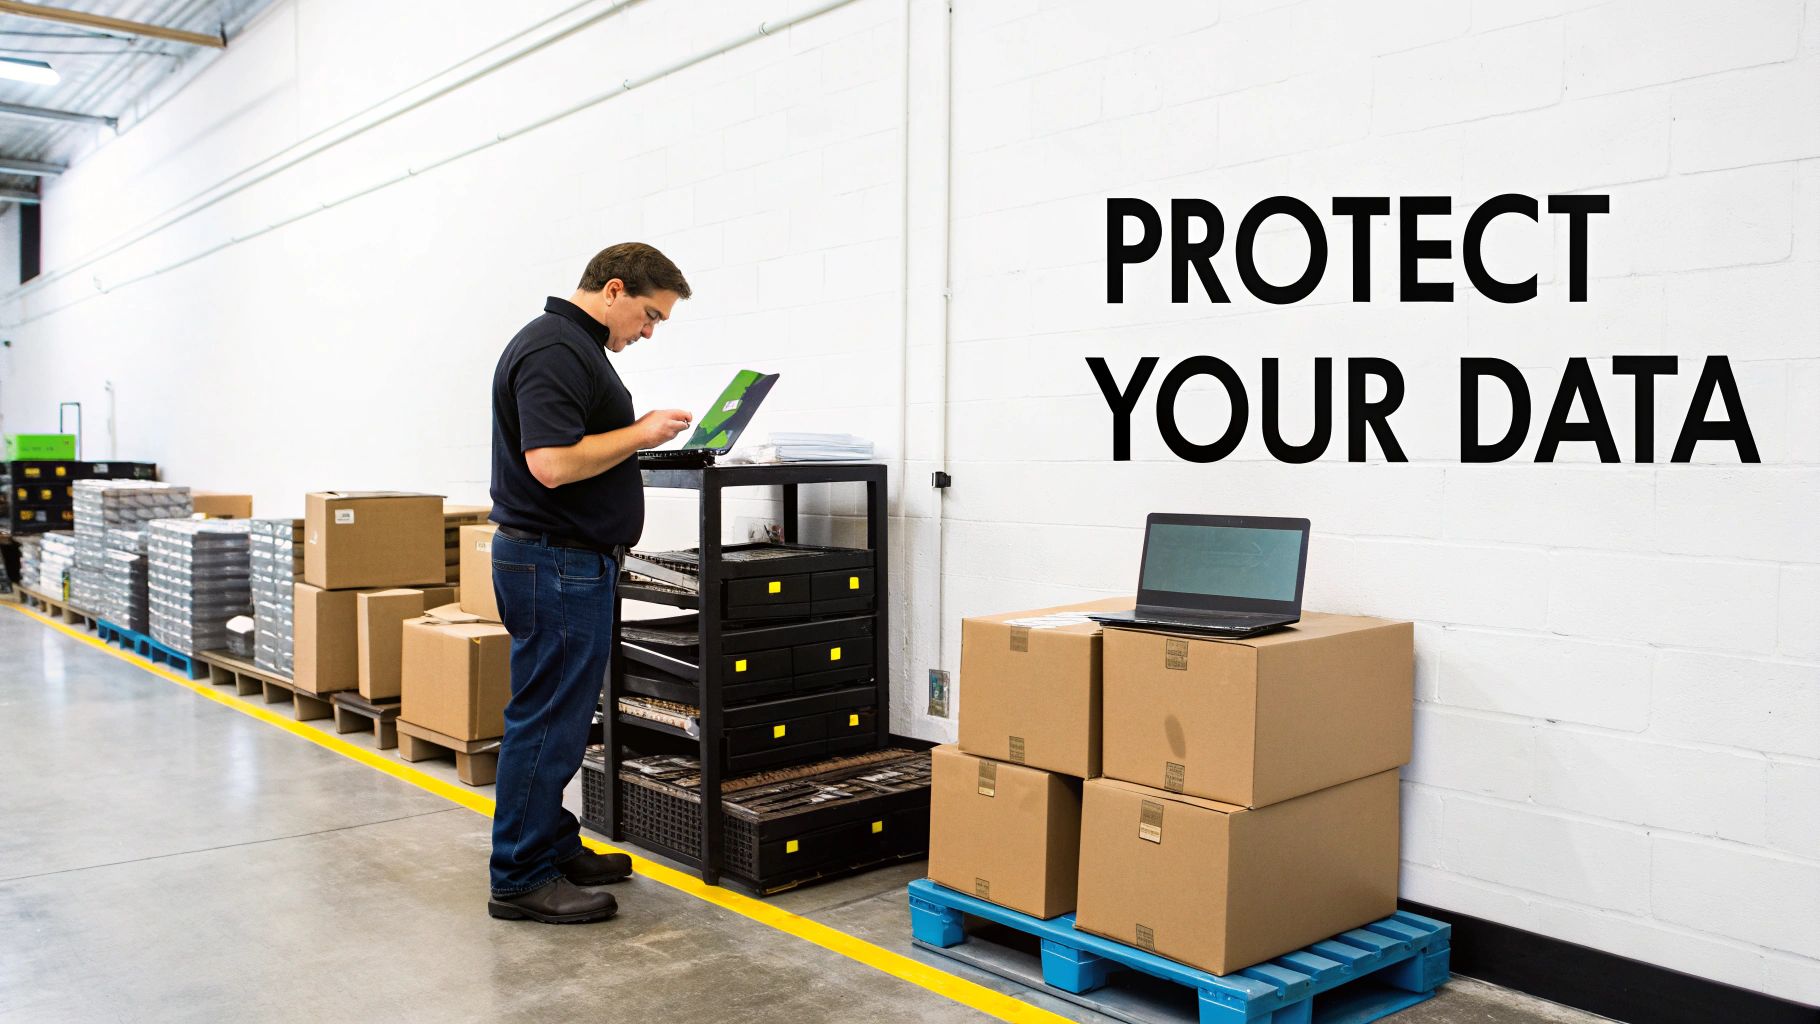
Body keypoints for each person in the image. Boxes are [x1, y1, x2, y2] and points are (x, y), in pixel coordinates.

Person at [484, 242, 694, 923]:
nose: (649, 331)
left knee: (565, 722)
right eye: (649, 315)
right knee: (547, 722)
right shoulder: (554, 350)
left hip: (570, 561)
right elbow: (550, 464)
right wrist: (640, 434)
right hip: (554, 562)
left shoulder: (575, 348)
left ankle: (549, 842)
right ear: (613, 290)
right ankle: (519, 877)